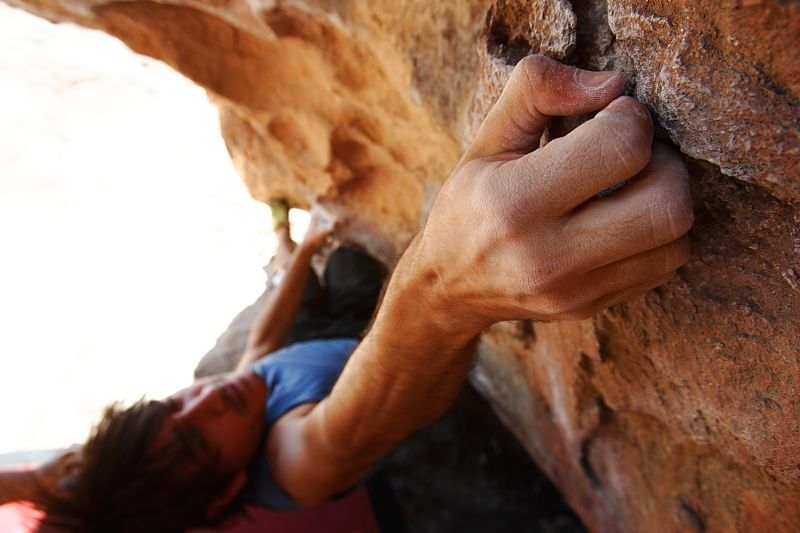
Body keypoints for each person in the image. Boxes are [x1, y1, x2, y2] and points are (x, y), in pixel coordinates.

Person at [0, 55, 693, 532]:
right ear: (222, 490)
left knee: (328, 283)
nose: (205, 400)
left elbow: (261, 348)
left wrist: (299, 248)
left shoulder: (226, 409)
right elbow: (363, 415)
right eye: (195, 440)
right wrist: (445, 286)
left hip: (338, 338)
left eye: (175, 402)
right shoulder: (294, 463)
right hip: (389, 361)